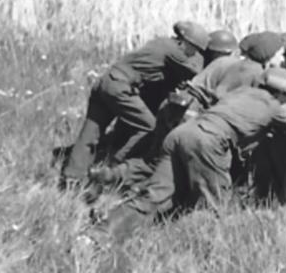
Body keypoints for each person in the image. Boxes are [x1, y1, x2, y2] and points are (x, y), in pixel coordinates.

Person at [107, 68, 286, 241]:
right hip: (207, 142)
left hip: (180, 134)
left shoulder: (241, 92)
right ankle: (194, 242)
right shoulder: (273, 107)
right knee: (213, 204)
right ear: (280, 93)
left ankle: (103, 231)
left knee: (156, 194)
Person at [88, 32, 286, 190]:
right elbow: (226, 102)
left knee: (156, 158)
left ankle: (111, 175)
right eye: (278, 53)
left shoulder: (225, 61)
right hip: (191, 114)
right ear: (267, 54)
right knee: (174, 166)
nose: (281, 57)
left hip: (174, 105)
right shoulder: (254, 73)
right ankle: (141, 194)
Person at [59, 21, 209, 187]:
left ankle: (71, 179)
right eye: (193, 49)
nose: (192, 53)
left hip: (106, 82)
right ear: (183, 42)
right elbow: (196, 71)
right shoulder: (173, 50)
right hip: (120, 86)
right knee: (148, 127)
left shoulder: (160, 43)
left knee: (90, 134)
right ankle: (113, 167)